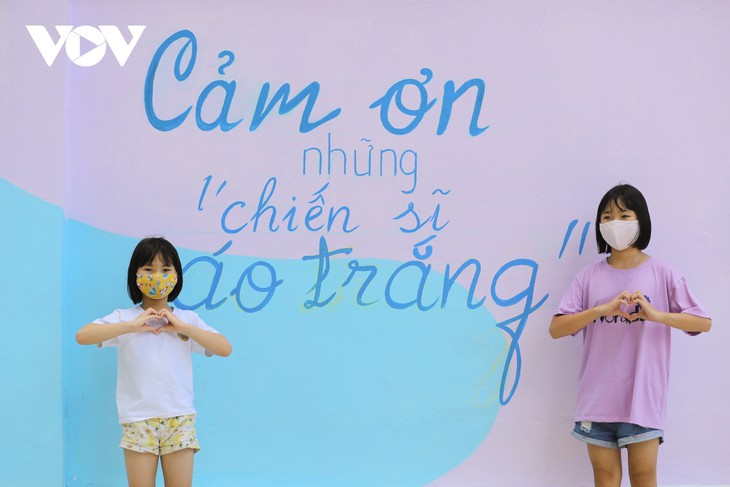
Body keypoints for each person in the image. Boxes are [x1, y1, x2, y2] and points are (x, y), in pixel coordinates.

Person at [549, 184, 711, 487]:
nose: (615, 223)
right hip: (597, 401)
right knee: (605, 477)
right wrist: (601, 309)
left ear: (641, 221)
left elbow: (702, 323)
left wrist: (656, 315)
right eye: (607, 217)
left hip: (643, 400)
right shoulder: (588, 277)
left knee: (643, 477)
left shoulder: (663, 273)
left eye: (624, 215)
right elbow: (557, 328)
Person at [76, 237, 232, 487]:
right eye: (149, 269)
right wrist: (131, 326)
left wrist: (183, 328)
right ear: (135, 275)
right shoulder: (124, 318)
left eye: (166, 269)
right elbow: (83, 336)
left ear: (176, 276)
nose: (157, 276)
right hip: (137, 420)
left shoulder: (186, 319)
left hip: (179, 418)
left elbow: (224, 348)